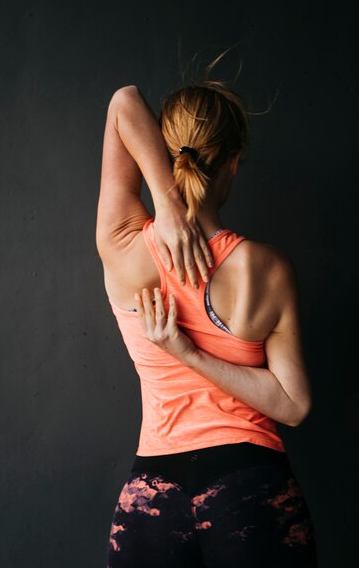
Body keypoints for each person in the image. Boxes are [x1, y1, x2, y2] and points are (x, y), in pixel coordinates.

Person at [96, 51, 318, 567]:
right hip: (251, 493)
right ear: (235, 161)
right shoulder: (266, 268)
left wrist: (165, 201)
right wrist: (194, 353)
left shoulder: (123, 244)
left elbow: (124, 101)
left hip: (150, 499)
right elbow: (293, 405)